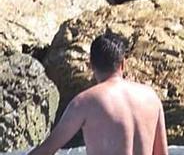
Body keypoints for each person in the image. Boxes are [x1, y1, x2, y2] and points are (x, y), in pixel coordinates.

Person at [28, 32, 168, 155]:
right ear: (123, 64)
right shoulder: (151, 97)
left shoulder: (85, 103)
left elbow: (47, 150)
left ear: (91, 64)